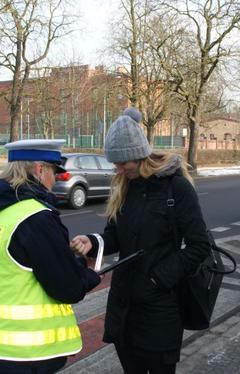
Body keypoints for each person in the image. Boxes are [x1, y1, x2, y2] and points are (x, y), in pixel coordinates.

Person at [71, 108, 211, 373]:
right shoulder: (124, 186)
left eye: (123, 163)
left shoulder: (176, 188)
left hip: (160, 309)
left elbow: (199, 247)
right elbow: (113, 236)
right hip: (124, 308)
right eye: (115, 164)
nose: (119, 169)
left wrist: (158, 279)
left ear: (139, 155)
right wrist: (93, 242)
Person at [0, 139, 101, 374]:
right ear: (40, 170)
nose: (54, 181)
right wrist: (88, 275)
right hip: (27, 351)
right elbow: (67, 287)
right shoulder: (36, 217)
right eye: (54, 172)